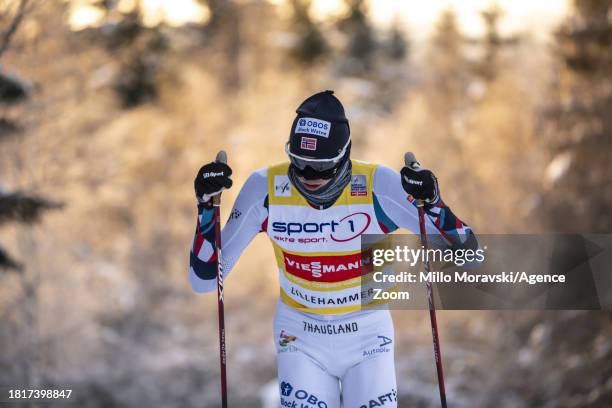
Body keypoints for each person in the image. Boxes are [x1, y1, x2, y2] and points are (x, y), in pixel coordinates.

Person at [190, 90, 477, 408]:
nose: (310, 177)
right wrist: (206, 206)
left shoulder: (378, 186)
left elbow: (469, 257)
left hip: (368, 335)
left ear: (345, 155)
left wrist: (434, 204)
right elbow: (204, 280)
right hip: (300, 334)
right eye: (299, 164)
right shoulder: (265, 189)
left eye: (322, 167)